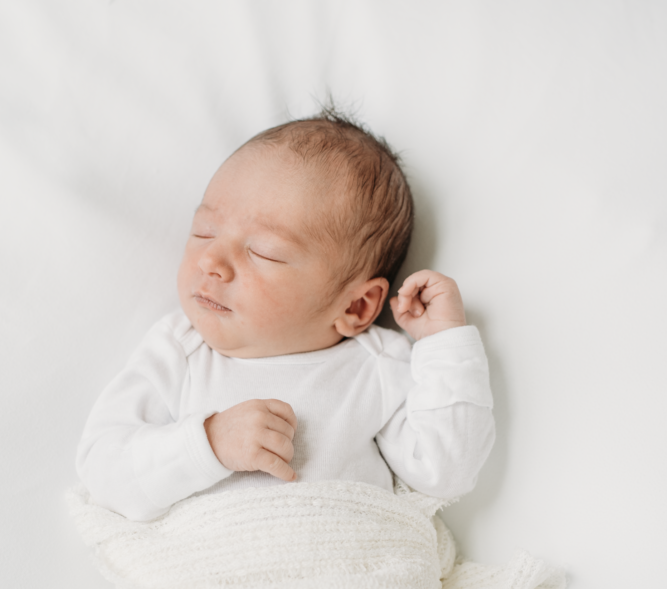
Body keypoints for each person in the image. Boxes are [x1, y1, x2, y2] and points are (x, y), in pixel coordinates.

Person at [77, 108, 495, 521]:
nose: (211, 261)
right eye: (204, 232)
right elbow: (103, 469)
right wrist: (206, 444)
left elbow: (447, 473)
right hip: (210, 575)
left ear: (356, 306)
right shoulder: (179, 352)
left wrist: (444, 344)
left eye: (263, 252)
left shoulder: (376, 365)